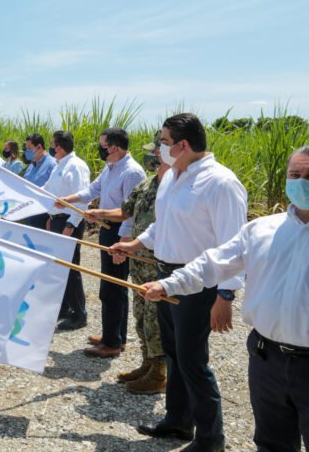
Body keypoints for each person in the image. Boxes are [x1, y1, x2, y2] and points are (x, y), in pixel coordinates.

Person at [142, 145, 309, 452]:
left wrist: (224, 297)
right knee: (272, 443)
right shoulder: (263, 230)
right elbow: (214, 262)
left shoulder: (221, 182)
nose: (301, 183)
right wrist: (169, 285)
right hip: (267, 359)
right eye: (295, 174)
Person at [111, 113, 247, 452]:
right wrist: (135, 244)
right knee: (173, 353)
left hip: (199, 283)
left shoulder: (220, 183)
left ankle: (210, 438)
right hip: (165, 275)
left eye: (164, 141)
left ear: (183, 145)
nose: (159, 148)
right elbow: (163, 225)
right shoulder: (172, 176)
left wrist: (226, 295)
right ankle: (178, 421)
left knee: (192, 360)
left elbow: (235, 245)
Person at [84, 133, 168, 394]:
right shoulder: (148, 184)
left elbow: (162, 225)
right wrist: (100, 212)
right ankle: (147, 364)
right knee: (141, 315)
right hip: (139, 261)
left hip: (157, 261)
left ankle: (160, 373)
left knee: (156, 319)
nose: (153, 155)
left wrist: (128, 242)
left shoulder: (174, 186)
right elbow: (125, 211)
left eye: (156, 151)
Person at [57, 128, 146, 358]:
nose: (100, 149)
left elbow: (130, 213)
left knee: (112, 288)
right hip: (109, 230)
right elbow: (92, 189)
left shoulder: (132, 172)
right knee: (113, 286)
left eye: (102, 145)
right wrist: (69, 200)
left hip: (120, 232)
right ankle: (115, 336)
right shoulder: (110, 168)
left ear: (114, 147)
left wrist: (124, 243)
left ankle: (112, 342)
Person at [42, 130, 91, 330]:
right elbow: (48, 192)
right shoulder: (59, 165)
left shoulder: (76, 166)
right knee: (59, 267)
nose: (51, 148)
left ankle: (79, 314)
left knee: (71, 268)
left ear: (59, 147)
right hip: (57, 220)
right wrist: (49, 216)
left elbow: (83, 200)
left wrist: (71, 226)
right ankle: (63, 308)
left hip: (68, 223)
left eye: (52, 145)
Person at [22, 133, 56, 229]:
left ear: (39, 147)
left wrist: (51, 218)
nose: (26, 151)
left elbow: (56, 191)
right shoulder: (31, 166)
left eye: (29, 148)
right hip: (29, 212)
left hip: (44, 216)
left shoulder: (52, 165)